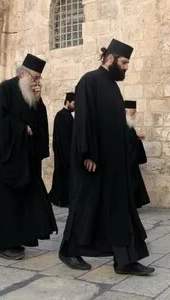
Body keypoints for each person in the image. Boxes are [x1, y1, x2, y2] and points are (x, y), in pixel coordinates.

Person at [59, 39, 153, 276]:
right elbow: (84, 120)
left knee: (120, 208)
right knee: (84, 206)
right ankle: (69, 251)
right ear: (110, 59)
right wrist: (88, 153)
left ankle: (125, 260)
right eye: (123, 62)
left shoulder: (112, 85)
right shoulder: (90, 80)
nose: (126, 67)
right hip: (94, 161)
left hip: (114, 163)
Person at [0, 54, 57, 260]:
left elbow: (40, 123)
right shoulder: (5, 89)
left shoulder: (31, 94)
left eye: (39, 79)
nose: (37, 81)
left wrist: (38, 102)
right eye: (35, 77)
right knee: (5, 204)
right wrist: (20, 129)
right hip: (5, 159)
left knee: (24, 203)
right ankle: (3, 245)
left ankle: (17, 240)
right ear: (22, 73)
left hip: (25, 160)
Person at [48, 92, 75, 207]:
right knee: (63, 177)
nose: (75, 106)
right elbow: (62, 138)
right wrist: (67, 155)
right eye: (74, 103)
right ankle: (61, 200)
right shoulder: (62, 115)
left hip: (66, 153)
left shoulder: (67, 115)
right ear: (67, 102)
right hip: (64, 153)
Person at [124, 100, 149, 209]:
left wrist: (137, 138)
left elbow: (130, 140)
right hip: (127, 160)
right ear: (126, 111)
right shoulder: (123, 124)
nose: (134, 115)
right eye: (133, 113)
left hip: (131, 160)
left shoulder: (128, 125)